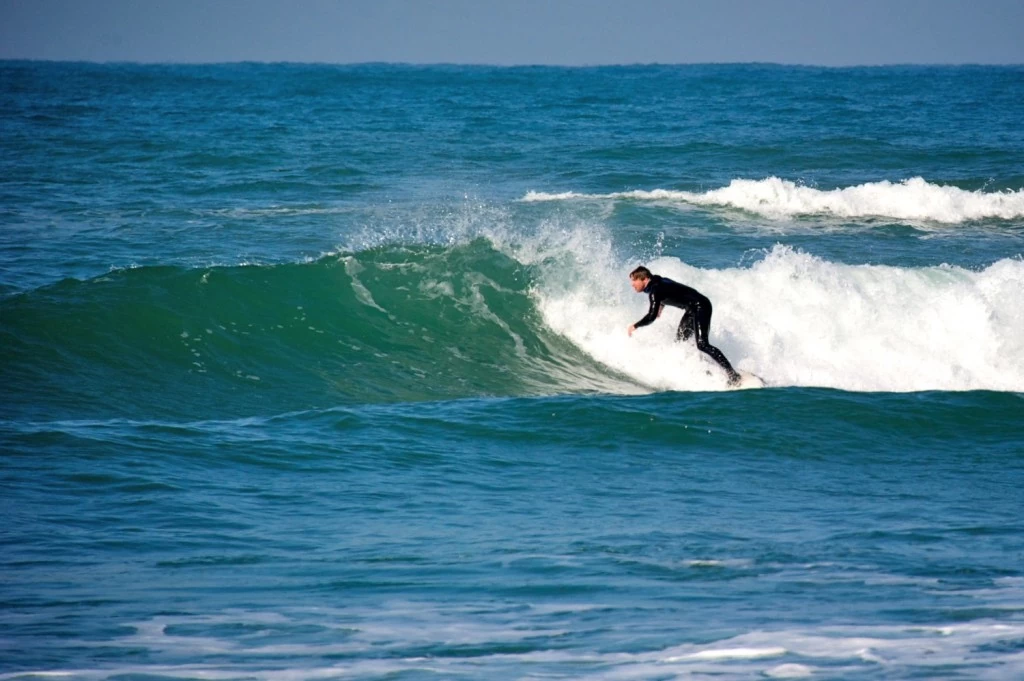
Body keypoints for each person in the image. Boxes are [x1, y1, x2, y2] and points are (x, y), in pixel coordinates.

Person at [627, 265, 741, 385]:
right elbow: (670, 290)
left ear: (644, 279)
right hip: (692, 309)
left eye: (634, 280)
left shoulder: (655, 291)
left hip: (701, 306)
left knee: (702, 344)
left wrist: (635, 326)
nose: (632, 284)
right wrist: (661, 305)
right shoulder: (658, 282)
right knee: (681, 342)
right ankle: (708, 369)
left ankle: (733, 375)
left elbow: (651, 316)